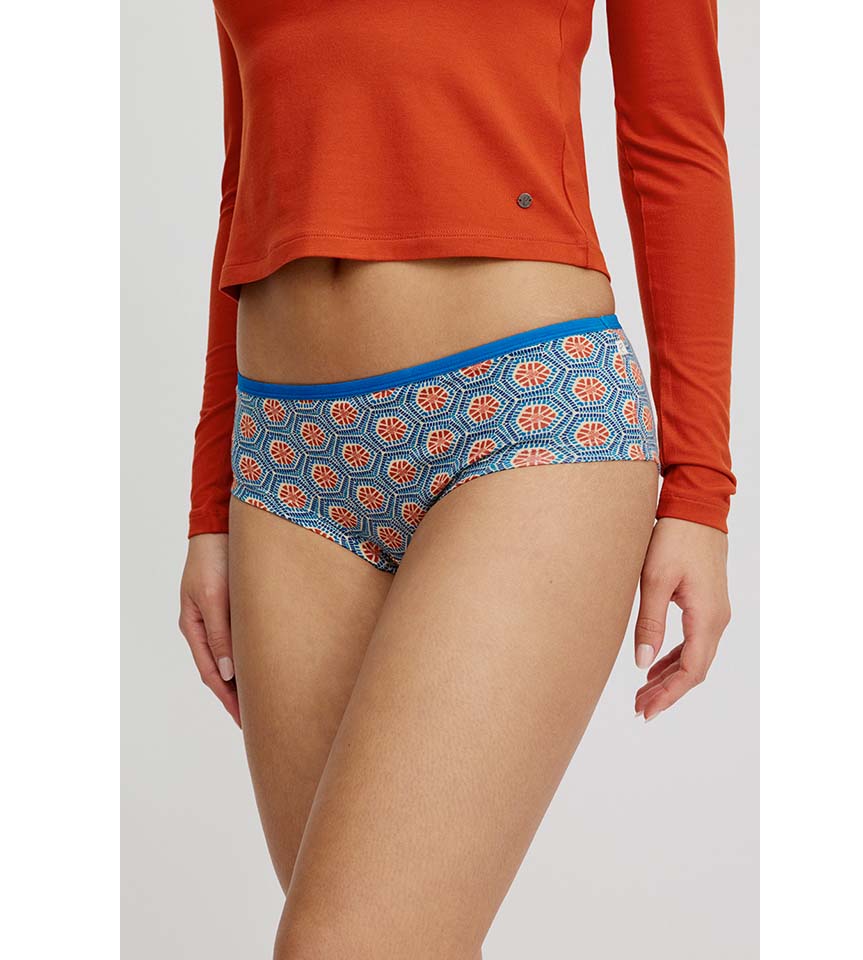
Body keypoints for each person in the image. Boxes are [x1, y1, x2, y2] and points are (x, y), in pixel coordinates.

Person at [178, 2, 735, 956]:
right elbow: (249, 176)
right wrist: (209, 507)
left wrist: (700, 489)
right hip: (286, 467)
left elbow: (673, 143)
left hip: (523, 419)